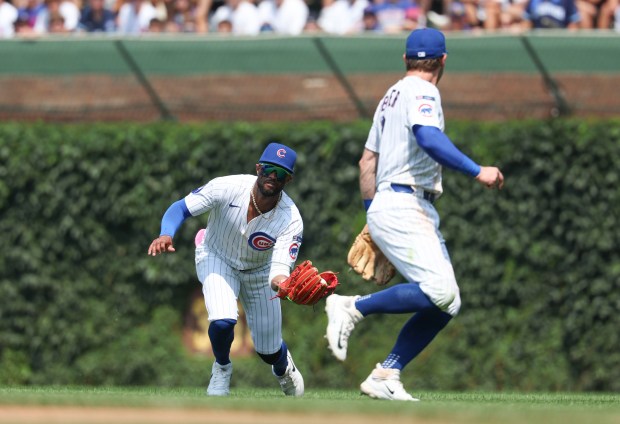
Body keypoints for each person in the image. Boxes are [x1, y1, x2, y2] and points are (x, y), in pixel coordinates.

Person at [325, 28, 504, 401]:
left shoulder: (389, 97)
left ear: (405, 59)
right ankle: (352, 307)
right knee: (440, 292)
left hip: (392, 204)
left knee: (448, 301)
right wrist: (477, 171)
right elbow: (427, 136)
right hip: (406, 202)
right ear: (442, 61)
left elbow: (366, 162)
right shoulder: (424, 91)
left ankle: (386, 374)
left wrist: (373, 217)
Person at [147, 142, 305, 397]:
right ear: (258, 168)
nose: (272, 177)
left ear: (289, 179)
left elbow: (278, 271)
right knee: (223, 320)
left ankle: (283, 367)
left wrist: (284, 285)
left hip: (260, 272)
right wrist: (166, 233)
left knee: (268, 351)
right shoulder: (227, 187)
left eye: (281, 173)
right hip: (216, 256)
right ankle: (221, 368)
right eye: (268, 169)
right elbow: (181, 208)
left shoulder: (291, 219)